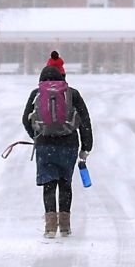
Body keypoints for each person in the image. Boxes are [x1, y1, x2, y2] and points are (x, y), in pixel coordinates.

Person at [22, 65, 92, 238]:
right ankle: (66, 227)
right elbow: (85, 121)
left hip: (45, 145)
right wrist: (86, 147)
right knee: (65, 184)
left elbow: (25, 119)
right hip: (69, 145)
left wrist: (36, 137)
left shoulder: (36, 93)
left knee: (49, 184)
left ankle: (51, 227)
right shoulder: (72, 94)